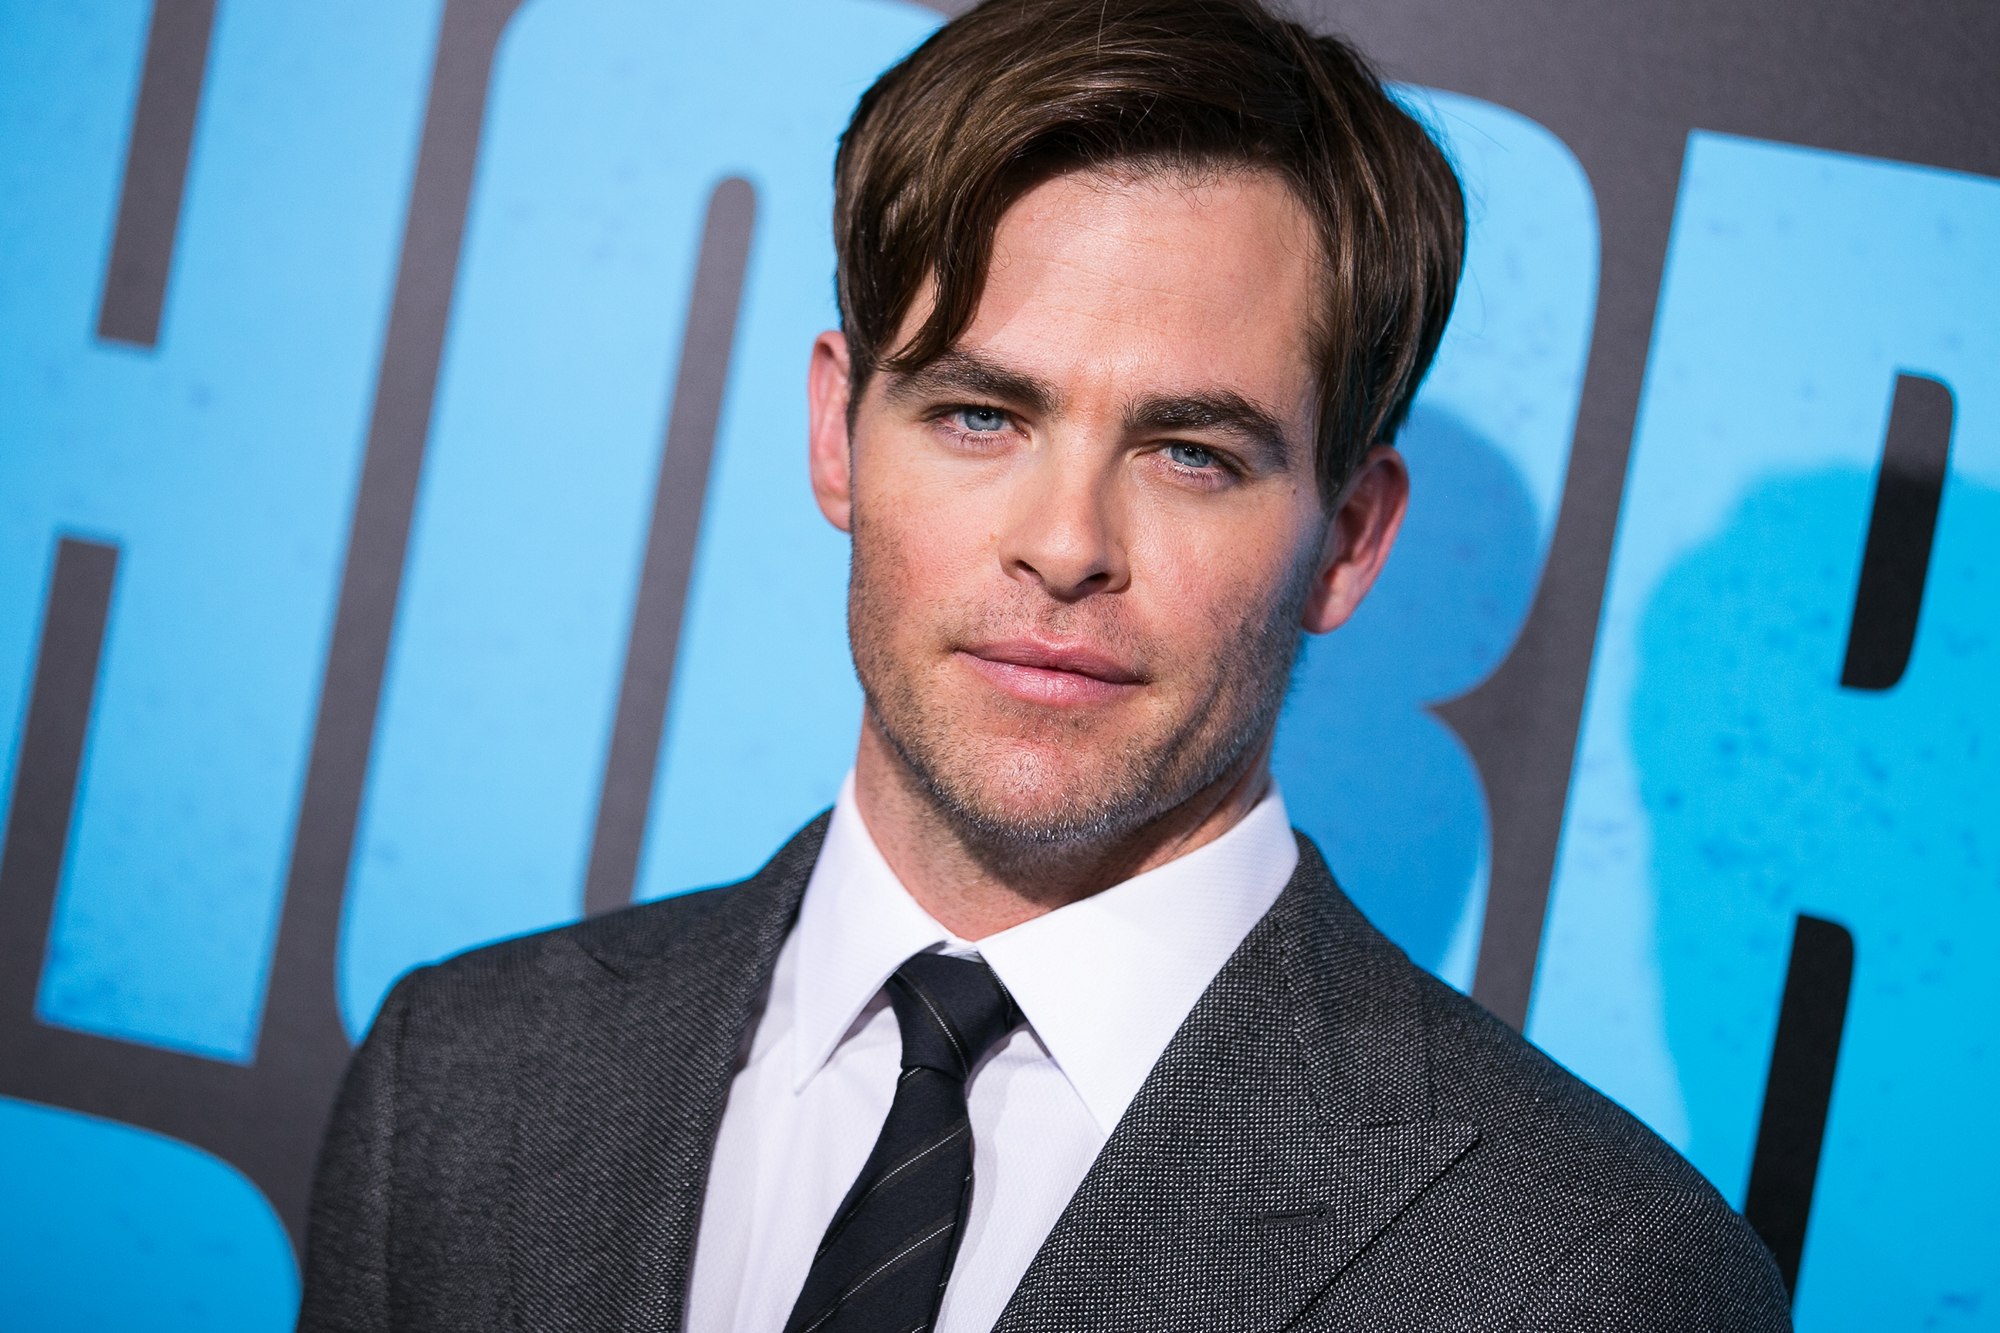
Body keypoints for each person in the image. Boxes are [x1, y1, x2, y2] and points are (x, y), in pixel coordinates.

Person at [298, 0, 1791, 1328]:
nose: (1067, 545)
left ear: (1347, 540)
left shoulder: (1590, 1278)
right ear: (837, 434)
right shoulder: (463, 1081)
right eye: (980, 416)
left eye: (1191, 452)